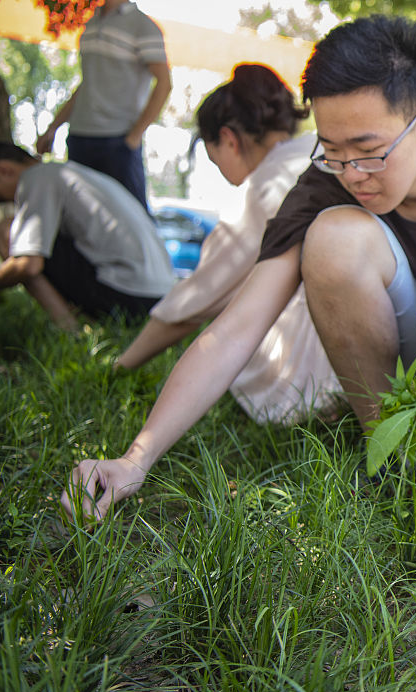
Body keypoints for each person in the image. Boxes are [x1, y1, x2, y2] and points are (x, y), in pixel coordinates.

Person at [60, 15, 416, 521]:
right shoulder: (325, 182)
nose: (351, 173)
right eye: (332, 150)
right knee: (334, 237)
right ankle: (395, 458)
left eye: (368, 151)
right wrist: (135, 459)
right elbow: (233, 332)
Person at [112, 63, 338, 426]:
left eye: (215, 159)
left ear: (229, 139)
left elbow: (192, 302)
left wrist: (121, 367)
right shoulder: (329, 148)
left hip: (309, 385)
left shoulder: (261, 188)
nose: (223, 174)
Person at [0, 142, 176, 331]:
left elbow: (28, 264)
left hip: (127, 298)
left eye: (4, 198)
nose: (14, 204)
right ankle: (84, 320)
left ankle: (70, 331)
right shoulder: (74, 173)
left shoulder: (35, 178)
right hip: (161, 300)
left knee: (6, 231)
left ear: (3, 170)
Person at [34, 0, 171, 209]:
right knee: (81, 217)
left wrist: (133, 138)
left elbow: (164, 84)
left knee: (131, 218)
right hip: (80, 137)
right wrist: (53, 127)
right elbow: (88, 85)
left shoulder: (143, 26)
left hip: (118, 141)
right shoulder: (90, 23)